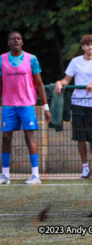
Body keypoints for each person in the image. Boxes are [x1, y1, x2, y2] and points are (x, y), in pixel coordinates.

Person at [55, 34, 92, 179]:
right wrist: (59, 83)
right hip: (77, 103)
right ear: (83, 47)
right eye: (87, 44)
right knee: (80, 137)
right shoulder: (75, 61)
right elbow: (67, 79)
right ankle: (85, 168)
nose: (90, 47)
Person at [0, 31, 51, 185]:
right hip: (8, 105)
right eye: (13, 39)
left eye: (18, 38)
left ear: (22, 42)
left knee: (29, 138)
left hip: (27, 104)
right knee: (6, 138)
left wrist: (46, 107)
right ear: (8, 42)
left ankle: (35, 175)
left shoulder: (32, 59)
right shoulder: (1, 59)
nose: (16, 40)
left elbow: (40, 84)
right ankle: (5, 176)